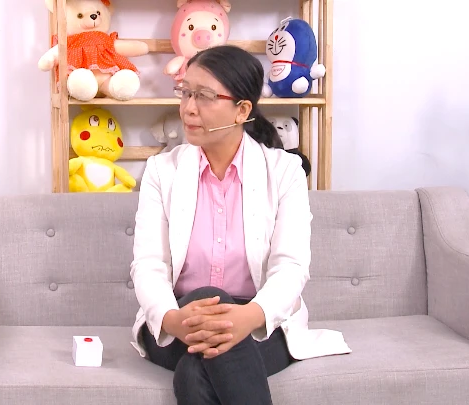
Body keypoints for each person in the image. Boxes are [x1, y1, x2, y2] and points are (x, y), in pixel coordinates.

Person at [129, 45, 350, 405]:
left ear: (242, 110)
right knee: (204, 299)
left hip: (260, 320)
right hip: (178, 319)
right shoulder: (161, 171)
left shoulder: (285, 172)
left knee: (195, 372)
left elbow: (291, 267)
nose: (188, 108)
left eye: (204, 96)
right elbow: (148, 265)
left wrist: (247, 317)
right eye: (185, 92)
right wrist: (172, 319)